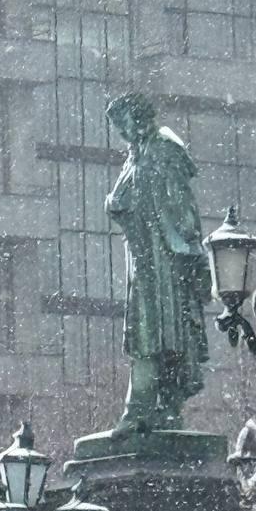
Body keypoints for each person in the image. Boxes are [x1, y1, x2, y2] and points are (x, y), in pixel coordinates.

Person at [105, 93, 211, 435]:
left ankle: (151, 407)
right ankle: (147, 409)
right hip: (144, 262)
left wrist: (192, 257)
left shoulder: (163, 151)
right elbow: (122, 200)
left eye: (124, 124)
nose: (123, 134)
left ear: (139, 119)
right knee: (148, 334)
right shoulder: (137, 157)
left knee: (164, 335)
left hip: (165, 261)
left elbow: (182, 210)